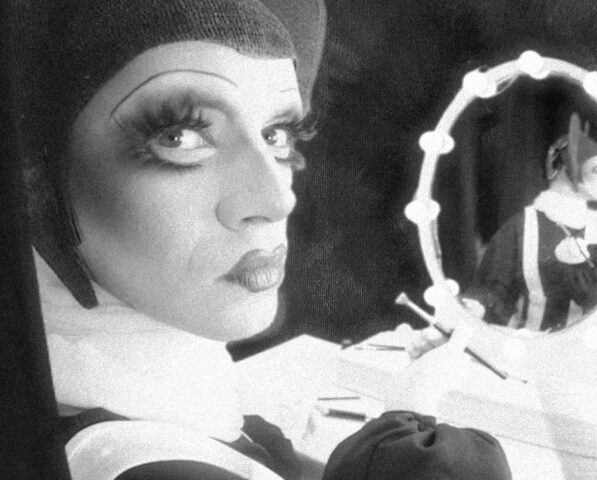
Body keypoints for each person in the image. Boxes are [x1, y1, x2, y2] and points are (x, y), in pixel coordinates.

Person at [14, 0, 511, 479]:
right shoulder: (133, 462)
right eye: (178, 136)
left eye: (276, 134)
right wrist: (412, 443)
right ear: (35, 184)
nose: (278, 200)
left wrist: (407, 407)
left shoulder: (146, 387)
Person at [464, 113, 597, 331]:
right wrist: (476, 309)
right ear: (571, 169)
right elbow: (491, 291)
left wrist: (573, 266)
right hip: (529, 345)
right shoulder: (521, 227)